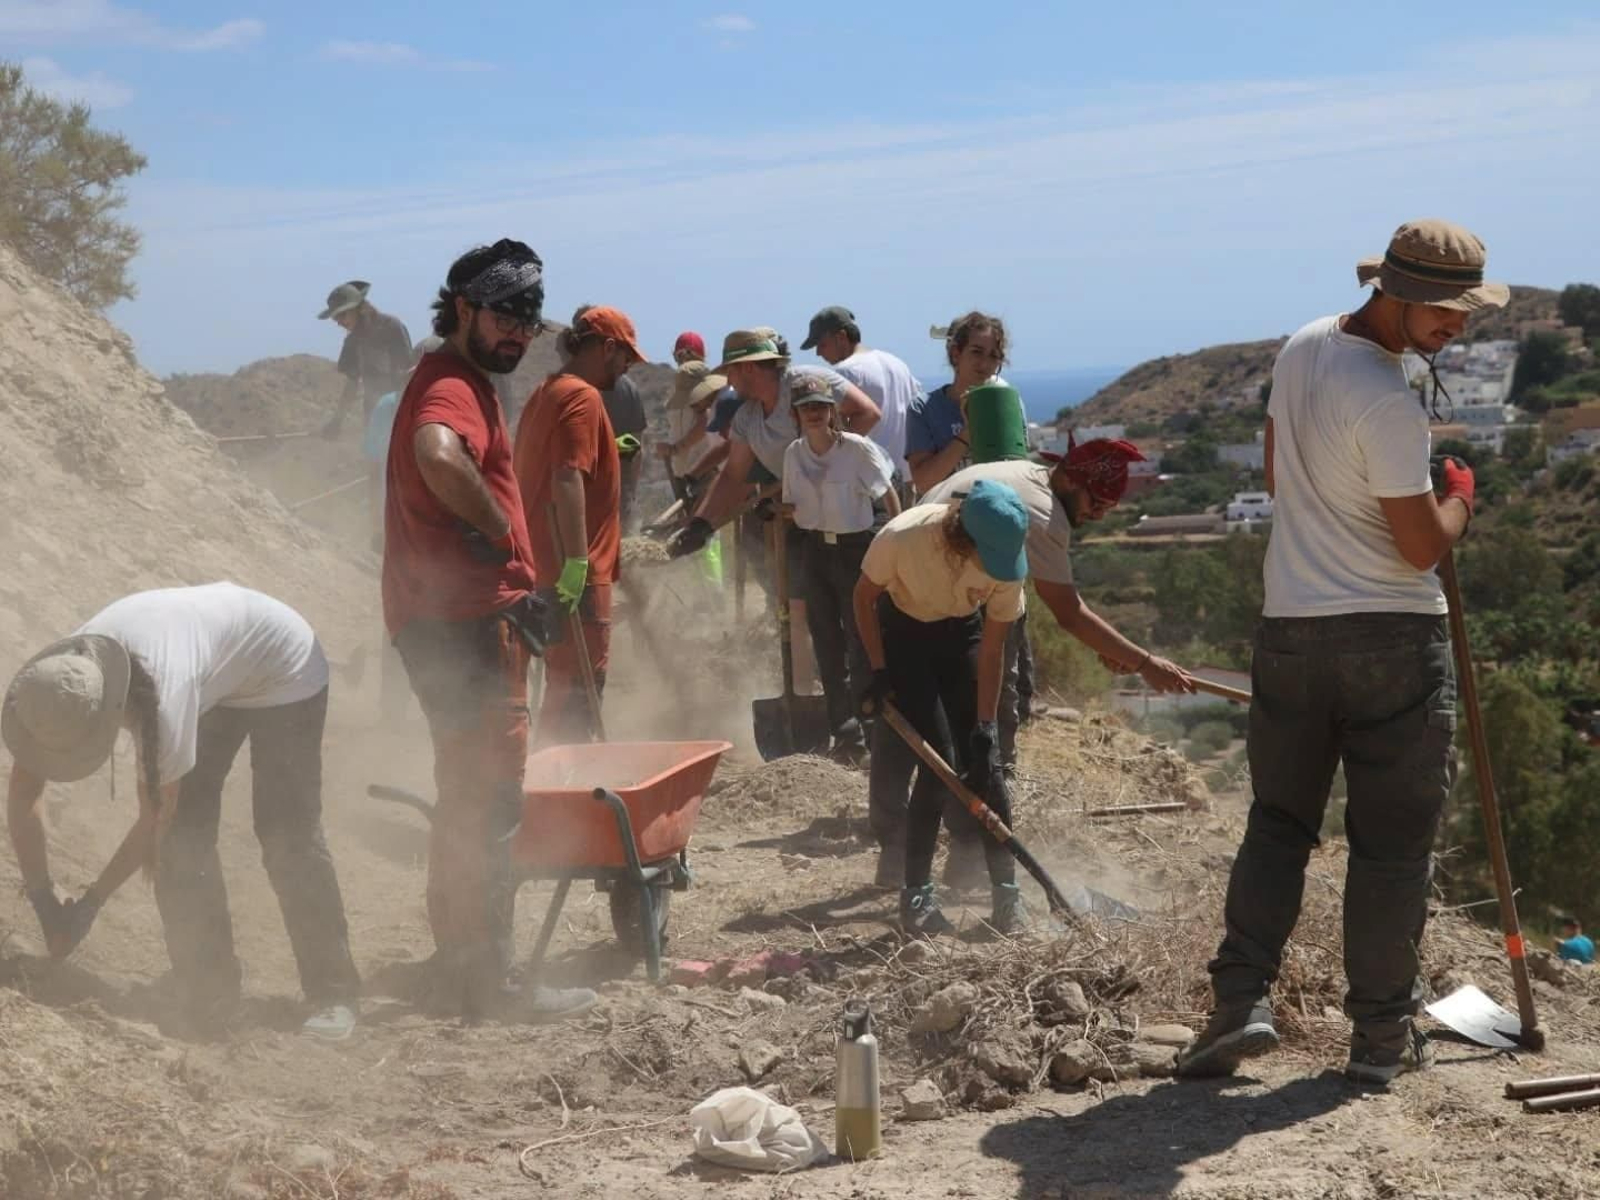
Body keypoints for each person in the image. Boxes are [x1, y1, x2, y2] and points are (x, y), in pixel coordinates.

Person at [1177, 219, 1500, 1087]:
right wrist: (1460, 498)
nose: (1456, 325)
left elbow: (1284, 479)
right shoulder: (1391, 401)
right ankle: (1381, 1041)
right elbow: (1419, 549)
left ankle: (1238, 1005)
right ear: (1390, 293)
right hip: (1392, 636)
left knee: (1278, 827)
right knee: (1392, 847)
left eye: (1464, 311)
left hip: (1291, 631)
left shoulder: (1301, 349)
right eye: (1442, 310)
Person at [383, 238, 593, 1022]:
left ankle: (460, 963)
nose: (517, 333)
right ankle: (491, 982)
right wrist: (501, 531)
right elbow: (436, 453)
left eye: (529, 321)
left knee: (465, 795)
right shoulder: (451, 387)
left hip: (452, 618)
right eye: (504, 314)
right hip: (466, 626)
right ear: (463, 308)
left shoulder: (454, 377)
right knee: (493, 800)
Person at [2, 584, 362, 1040]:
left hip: (283, 669)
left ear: (110, 713)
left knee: (283, 829)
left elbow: (155, 819)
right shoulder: (54, 685)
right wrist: (43, 900)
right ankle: (208, 982)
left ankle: (334, 992)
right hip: (215, 667)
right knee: (186, 833)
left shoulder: (164, 701)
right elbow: (22, 793)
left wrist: (89, 905)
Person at [894, 441, 1198, 883]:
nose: (1101, 514)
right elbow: (1068, 613)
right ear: (1071, 480)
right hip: (945, 593)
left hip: (921, 578)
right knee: (985, 724)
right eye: (1098, 501)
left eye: (1111, 505)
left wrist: (1113, 649)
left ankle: (906, 845)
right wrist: (1145, 662)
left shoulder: (1026, 473)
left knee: (950, 722)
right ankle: (973, 858)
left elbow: (1064, 607)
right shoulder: (1045, 514)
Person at [853, 479, 1035, 935]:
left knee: (984, 766)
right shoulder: (904, 535)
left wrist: (987, 726)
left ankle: (1007, 896)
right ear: (962, 537)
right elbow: (861, 598)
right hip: (906, 637)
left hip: (962, 636)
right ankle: (915, 895)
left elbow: (992, 650)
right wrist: (877, 670)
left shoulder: (1006, 567)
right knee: (939, 768)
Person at [667, 329, 882, 691]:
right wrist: (701, 525)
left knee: (855, 611)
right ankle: (811, 696)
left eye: (732, 372)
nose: (730, 382)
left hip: (850, 518)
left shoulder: (803, 383)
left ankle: (872, 694)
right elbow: (733, 475)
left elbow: (867, 413)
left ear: (749, 368)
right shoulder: (749, 416)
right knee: (801, 609)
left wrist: (824, 467)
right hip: (801, 521)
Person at [515, 305, 644, 746]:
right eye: (626, 356)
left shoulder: (546, 391)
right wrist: (577, 561)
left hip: (543, 562)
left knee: (562, 682)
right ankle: (567, 784)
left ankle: (552, 778)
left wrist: (608, 446)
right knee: (578, 689)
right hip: (577, 570)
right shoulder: (582, 397)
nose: (627, 367)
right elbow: (566, 475)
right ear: (607, 348)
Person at [781, 373, 900, 763]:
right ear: (794, 414)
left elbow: (889, 496)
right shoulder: (793, 455)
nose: (813, 413)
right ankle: (845, 737)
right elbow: (794, 508)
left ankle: (872, 730)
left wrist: (896, 549)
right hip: (816, 551)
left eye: (819, 406)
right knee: (827, 646)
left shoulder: (857, 450)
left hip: (856, 551)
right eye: (805, 407)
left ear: (832, 411)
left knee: (862, 643)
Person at [802, 305, 923, 490]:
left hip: (870, 482)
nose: (818, 352)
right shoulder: (898, 364)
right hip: (907, 478)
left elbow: (833, 429)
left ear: (841, 337)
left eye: (822, 344)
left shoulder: (845, 372)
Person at [904, 311, 1007, 495]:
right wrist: (967, 434)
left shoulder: (1006, 405)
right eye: (976, 352)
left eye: (993, 356)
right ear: (955, 354)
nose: (985, 363)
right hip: (943, 517)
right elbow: (923, 483)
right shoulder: (924, 409)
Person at [318, 280, 413, 438]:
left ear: (359, 308)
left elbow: (409, 373)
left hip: (400, 412)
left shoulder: (392, 327)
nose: (339, 322)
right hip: (373, 415)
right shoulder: (352, 342)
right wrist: (337, 421)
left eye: (342, 314)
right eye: (336, 318)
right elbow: (351, 384)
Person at [658, 360, 728, 508]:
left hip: (703, 469)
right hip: (686, 471)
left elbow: (704, 426)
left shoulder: (715, 407)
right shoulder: (707, 406)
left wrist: (675, 449)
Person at [601, 370, 648, 535]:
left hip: (590, 484)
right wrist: (631, 491)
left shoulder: (585, 383)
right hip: (621, 485)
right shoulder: (630, 388)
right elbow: (637, 448)